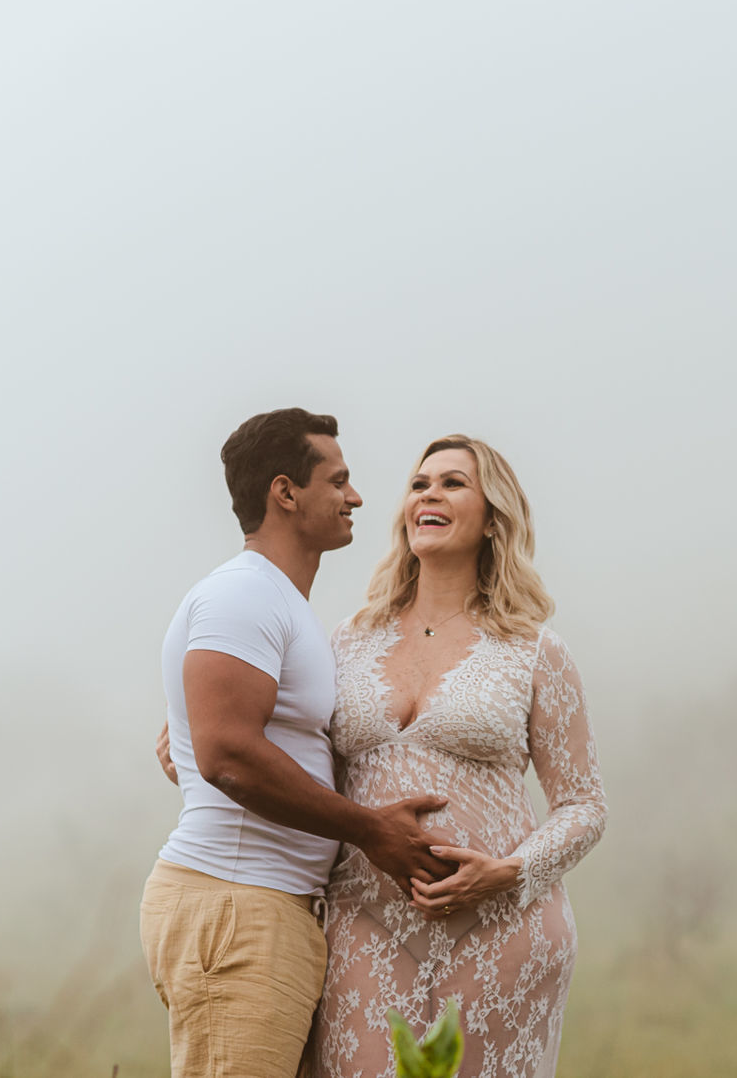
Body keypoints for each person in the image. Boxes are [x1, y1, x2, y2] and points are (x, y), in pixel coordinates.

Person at [141, 408, 455, 1078]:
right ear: (286, 492)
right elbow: (227, 753)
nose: (357, 497)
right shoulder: (243, 597)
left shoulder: (280, 605)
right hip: (238, 904)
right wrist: (370, 829)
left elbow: (218, 737)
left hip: (265, 908)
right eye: (338, 480)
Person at [308, 435, 607, 1078]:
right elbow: (292, 752)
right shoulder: (346, 641)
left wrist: (510, 872)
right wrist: (191, 737)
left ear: (492, 518)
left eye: (452, 483)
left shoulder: (534, 649)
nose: (430, 495)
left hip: (501, 929)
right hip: (365, 924)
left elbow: (584, 805)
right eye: (420, 484)